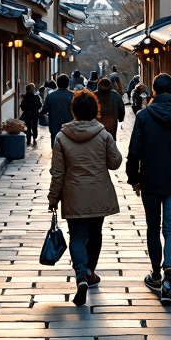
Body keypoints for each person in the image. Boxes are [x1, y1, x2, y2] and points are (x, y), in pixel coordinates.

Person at [126, 73, 171, 306]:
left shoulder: (144, 116)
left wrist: (134, 178)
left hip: (150, 180)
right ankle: (168, 280)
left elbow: (134, 152)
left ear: (154, 91)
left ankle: (156, 274)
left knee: (152, 227)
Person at [48, 89, 123, 306]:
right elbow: (115, 162)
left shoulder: (62, 137)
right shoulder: (103, 135)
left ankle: (81, 275)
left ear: (73, 111)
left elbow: (57, 173)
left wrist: (53, 198)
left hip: (74, 194)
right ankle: (90, 272)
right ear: (95, 111)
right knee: (95, 233)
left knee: (78, 236)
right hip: (98, 193)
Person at [43, 74, 74, 146]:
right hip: (69, 126)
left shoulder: (50, 96)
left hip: (54, 127)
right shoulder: (73, 96)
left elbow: (44, 110)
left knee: (55, 145)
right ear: (67, 83)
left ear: (57, 83)